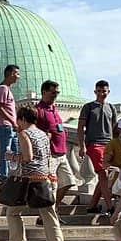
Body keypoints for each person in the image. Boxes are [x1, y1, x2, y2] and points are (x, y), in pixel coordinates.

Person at [3, 105, 67, 241]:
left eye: (18, 119)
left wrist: (12, 156)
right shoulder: (43, 134)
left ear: (23, 119)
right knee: (50, 219)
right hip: (46, 179)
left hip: (29, 181)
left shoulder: (24, 133)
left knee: (12, 212)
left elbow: (28, 157)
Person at [34, 80, 77, 222]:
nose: (56, 95)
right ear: (44, 92)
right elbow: (33, 131)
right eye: (53, 92)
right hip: (50, 154)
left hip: (62, 152)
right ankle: (47, 216)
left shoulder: (54, 108)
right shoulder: (38, 110)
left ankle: (54, 209)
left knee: (69, 181)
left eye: (57, 93)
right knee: (51, 186)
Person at [79, 79, 119, 215]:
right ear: (95, 91)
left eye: (104, 91)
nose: (102, 93)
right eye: (99, 91)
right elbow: (80, 127)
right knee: (103, 173)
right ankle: (110, 207)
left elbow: (115, 128)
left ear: (108, 92)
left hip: (109, 144)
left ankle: (92, 205)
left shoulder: (111, 108)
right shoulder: (88, 107)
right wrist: (81, 146)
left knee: (105, 176)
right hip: (94, 144)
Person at [0, 63, 20, 184]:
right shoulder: (2, 89)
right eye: (17, 74)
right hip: (4, 125)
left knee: (14, 151)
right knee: (6, 151)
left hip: (8, 126)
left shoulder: (6, 89)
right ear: (11, 74)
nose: (19, 76)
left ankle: (5, 173)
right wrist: (13, 121)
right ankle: (2, 174)